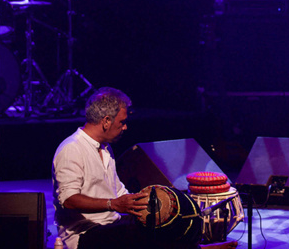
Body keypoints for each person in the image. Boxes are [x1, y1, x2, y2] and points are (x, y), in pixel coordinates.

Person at [52, 87, 238, 249]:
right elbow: (68, 200)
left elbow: (118, 191)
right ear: (106, 121)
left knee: (167, 223)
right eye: (122, 122)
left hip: (110, 224)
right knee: (145, 235)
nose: (125, 127)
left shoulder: (105, 148)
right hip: (84, 234)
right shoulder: (71, 149)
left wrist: (146, 204)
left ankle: (196, 247)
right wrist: (113, 204)